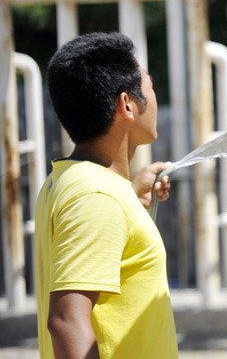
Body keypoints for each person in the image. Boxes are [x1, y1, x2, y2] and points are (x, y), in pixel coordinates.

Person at [35, 32, 177, 358]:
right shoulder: (97, 196)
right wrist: (116, 201)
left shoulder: (68, 180)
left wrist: (130, 200)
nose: (154, 96)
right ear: (127, 104)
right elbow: (66, 322)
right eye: (150, 86)